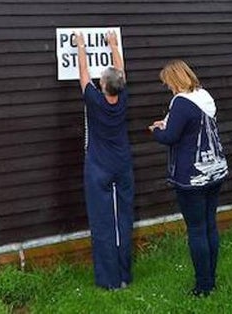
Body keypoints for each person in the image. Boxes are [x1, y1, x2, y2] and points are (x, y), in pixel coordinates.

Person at [149, 60, 226, 297]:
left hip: (192, 176)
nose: (168, 88)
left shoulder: (181, 102)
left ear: (174, 80)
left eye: (168, 84)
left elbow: (170, 137)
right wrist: (169, 123)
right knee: (210, 225)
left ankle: (203, 287)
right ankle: (211, 278)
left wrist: (157, 130)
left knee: (196, 229)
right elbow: (193, 127)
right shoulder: (204, 96)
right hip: (216, 170)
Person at [76, 29, 133, 290]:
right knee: (122, 220)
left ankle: (109, 280)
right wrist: (113, 45)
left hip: (98, 168)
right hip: (122, 166)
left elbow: (83, 74)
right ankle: (124, 276)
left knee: (102, 222)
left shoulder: (94, 101)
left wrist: (80, 46)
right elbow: (121, 72)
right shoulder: (122, 99)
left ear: (103, 86)